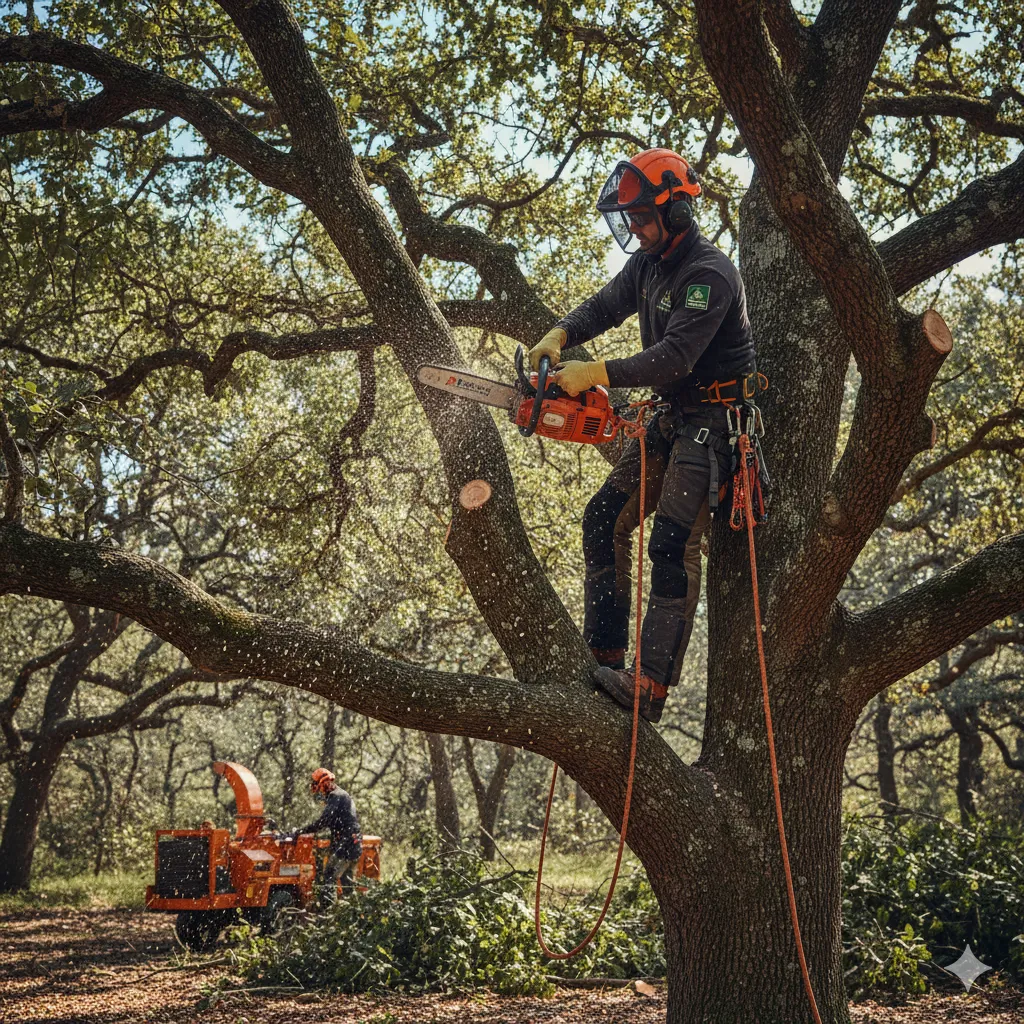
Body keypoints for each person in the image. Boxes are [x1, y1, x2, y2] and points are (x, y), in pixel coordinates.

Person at [529, 148, 760, 724]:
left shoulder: (708, 274)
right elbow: (605, 306)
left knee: (671, 546)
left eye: (641, 216)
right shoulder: (648, 265)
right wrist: (560, 334)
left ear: (676, 211)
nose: (633, 228)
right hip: (672, 418)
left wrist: (596, 372)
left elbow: (676, 357)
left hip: (713, 424)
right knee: (603, 518)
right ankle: (604, 653)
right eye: (627, 217)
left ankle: (651, 685)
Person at [291, 768, 362, 896]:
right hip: (353, 842)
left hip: (347, 843)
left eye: (320, 788)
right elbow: (336, 823)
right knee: (346, 879)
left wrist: (302, 831)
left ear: (325, 783)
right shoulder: (343, 795)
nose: (321, 792)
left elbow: (324, 821)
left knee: (330, 873)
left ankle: (328, 904)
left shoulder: (336, 796)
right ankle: (351, 904)